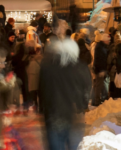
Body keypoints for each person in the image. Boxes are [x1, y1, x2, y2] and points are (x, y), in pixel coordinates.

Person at [40, 20, 89, 150]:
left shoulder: (48, 68)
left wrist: (44, 111)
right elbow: (87, 89)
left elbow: (43, 91)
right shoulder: (81, 68)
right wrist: (82, 105)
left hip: (55, 115)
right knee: (74, 145)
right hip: (74, 115)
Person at [91, 30, 111, 106]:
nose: (109, 42)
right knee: (98, 86)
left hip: (99, 69)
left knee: (98, 85)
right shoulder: (100, 48)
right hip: (99, 69)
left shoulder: (101, 46)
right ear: (105, 40)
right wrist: (101, 70)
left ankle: (99, 99)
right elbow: (100, 59)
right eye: (108, 40)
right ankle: (96, 101)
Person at [108, 31, 121, 100]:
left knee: (118, 84)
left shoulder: (117, 50)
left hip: (118, 69)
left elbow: (115, 61)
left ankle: (118, 96)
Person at [26, 43, 42, 109]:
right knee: (40, 95)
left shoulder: (27, 59)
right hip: (40, 80)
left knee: (33, 96)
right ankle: (41, 109)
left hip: (32, 81)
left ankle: (35, 107)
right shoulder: (42, 58)